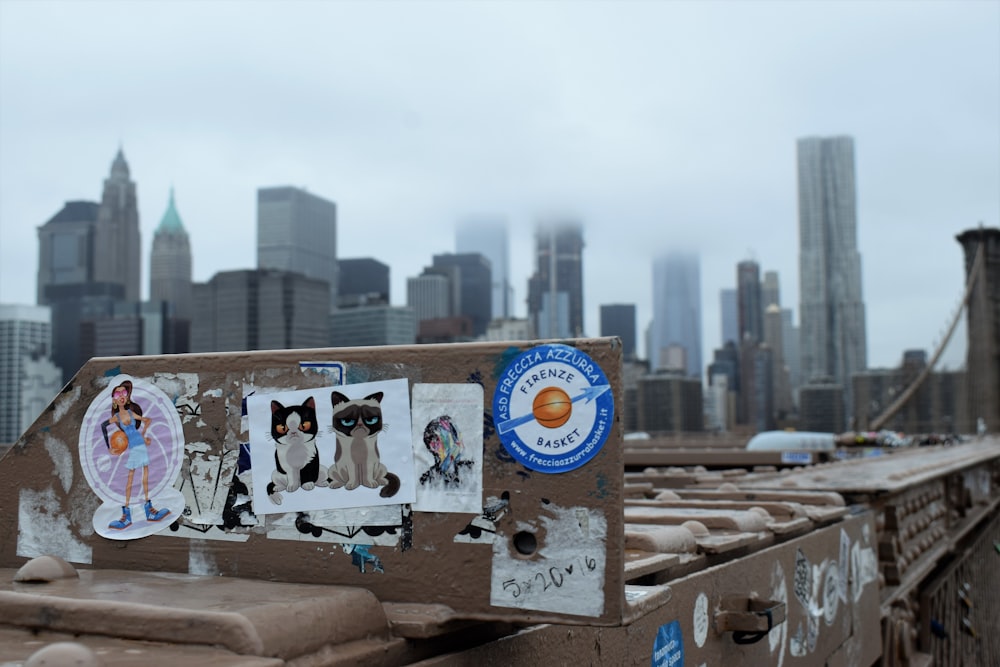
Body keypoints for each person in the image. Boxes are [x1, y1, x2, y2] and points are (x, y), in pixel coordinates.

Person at [102, 380, 170, 529]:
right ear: (114, 398)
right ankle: (127, 515)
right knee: (131, 479)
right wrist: (109, 447)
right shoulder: (117, 417)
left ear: (127, 397)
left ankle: (148, 511)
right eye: (118, 394)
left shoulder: (132, 413)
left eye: (124, 393)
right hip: (133, 448)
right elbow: (103, 426)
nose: (121, 396)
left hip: (140, 445)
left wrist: (144, 435)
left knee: (144, 477)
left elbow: (147, 420)